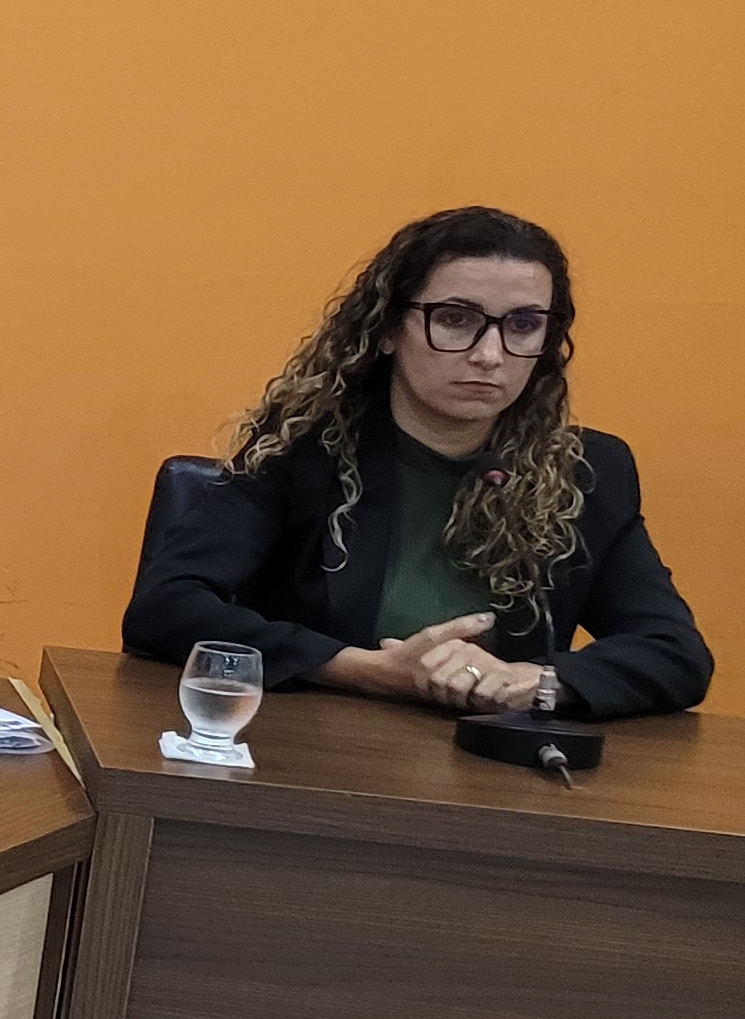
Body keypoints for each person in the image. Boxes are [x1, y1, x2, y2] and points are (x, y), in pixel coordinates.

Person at [124, 205, 710, 720]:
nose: (489, 354)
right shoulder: (303, 450)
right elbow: (166, 607)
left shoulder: (584, 471)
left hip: (494, 773)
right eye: (456, 319)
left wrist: (540, 680)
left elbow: (675, 653)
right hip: (310, 755)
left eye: (523, 325)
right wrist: (365, 671)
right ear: (387, 329)